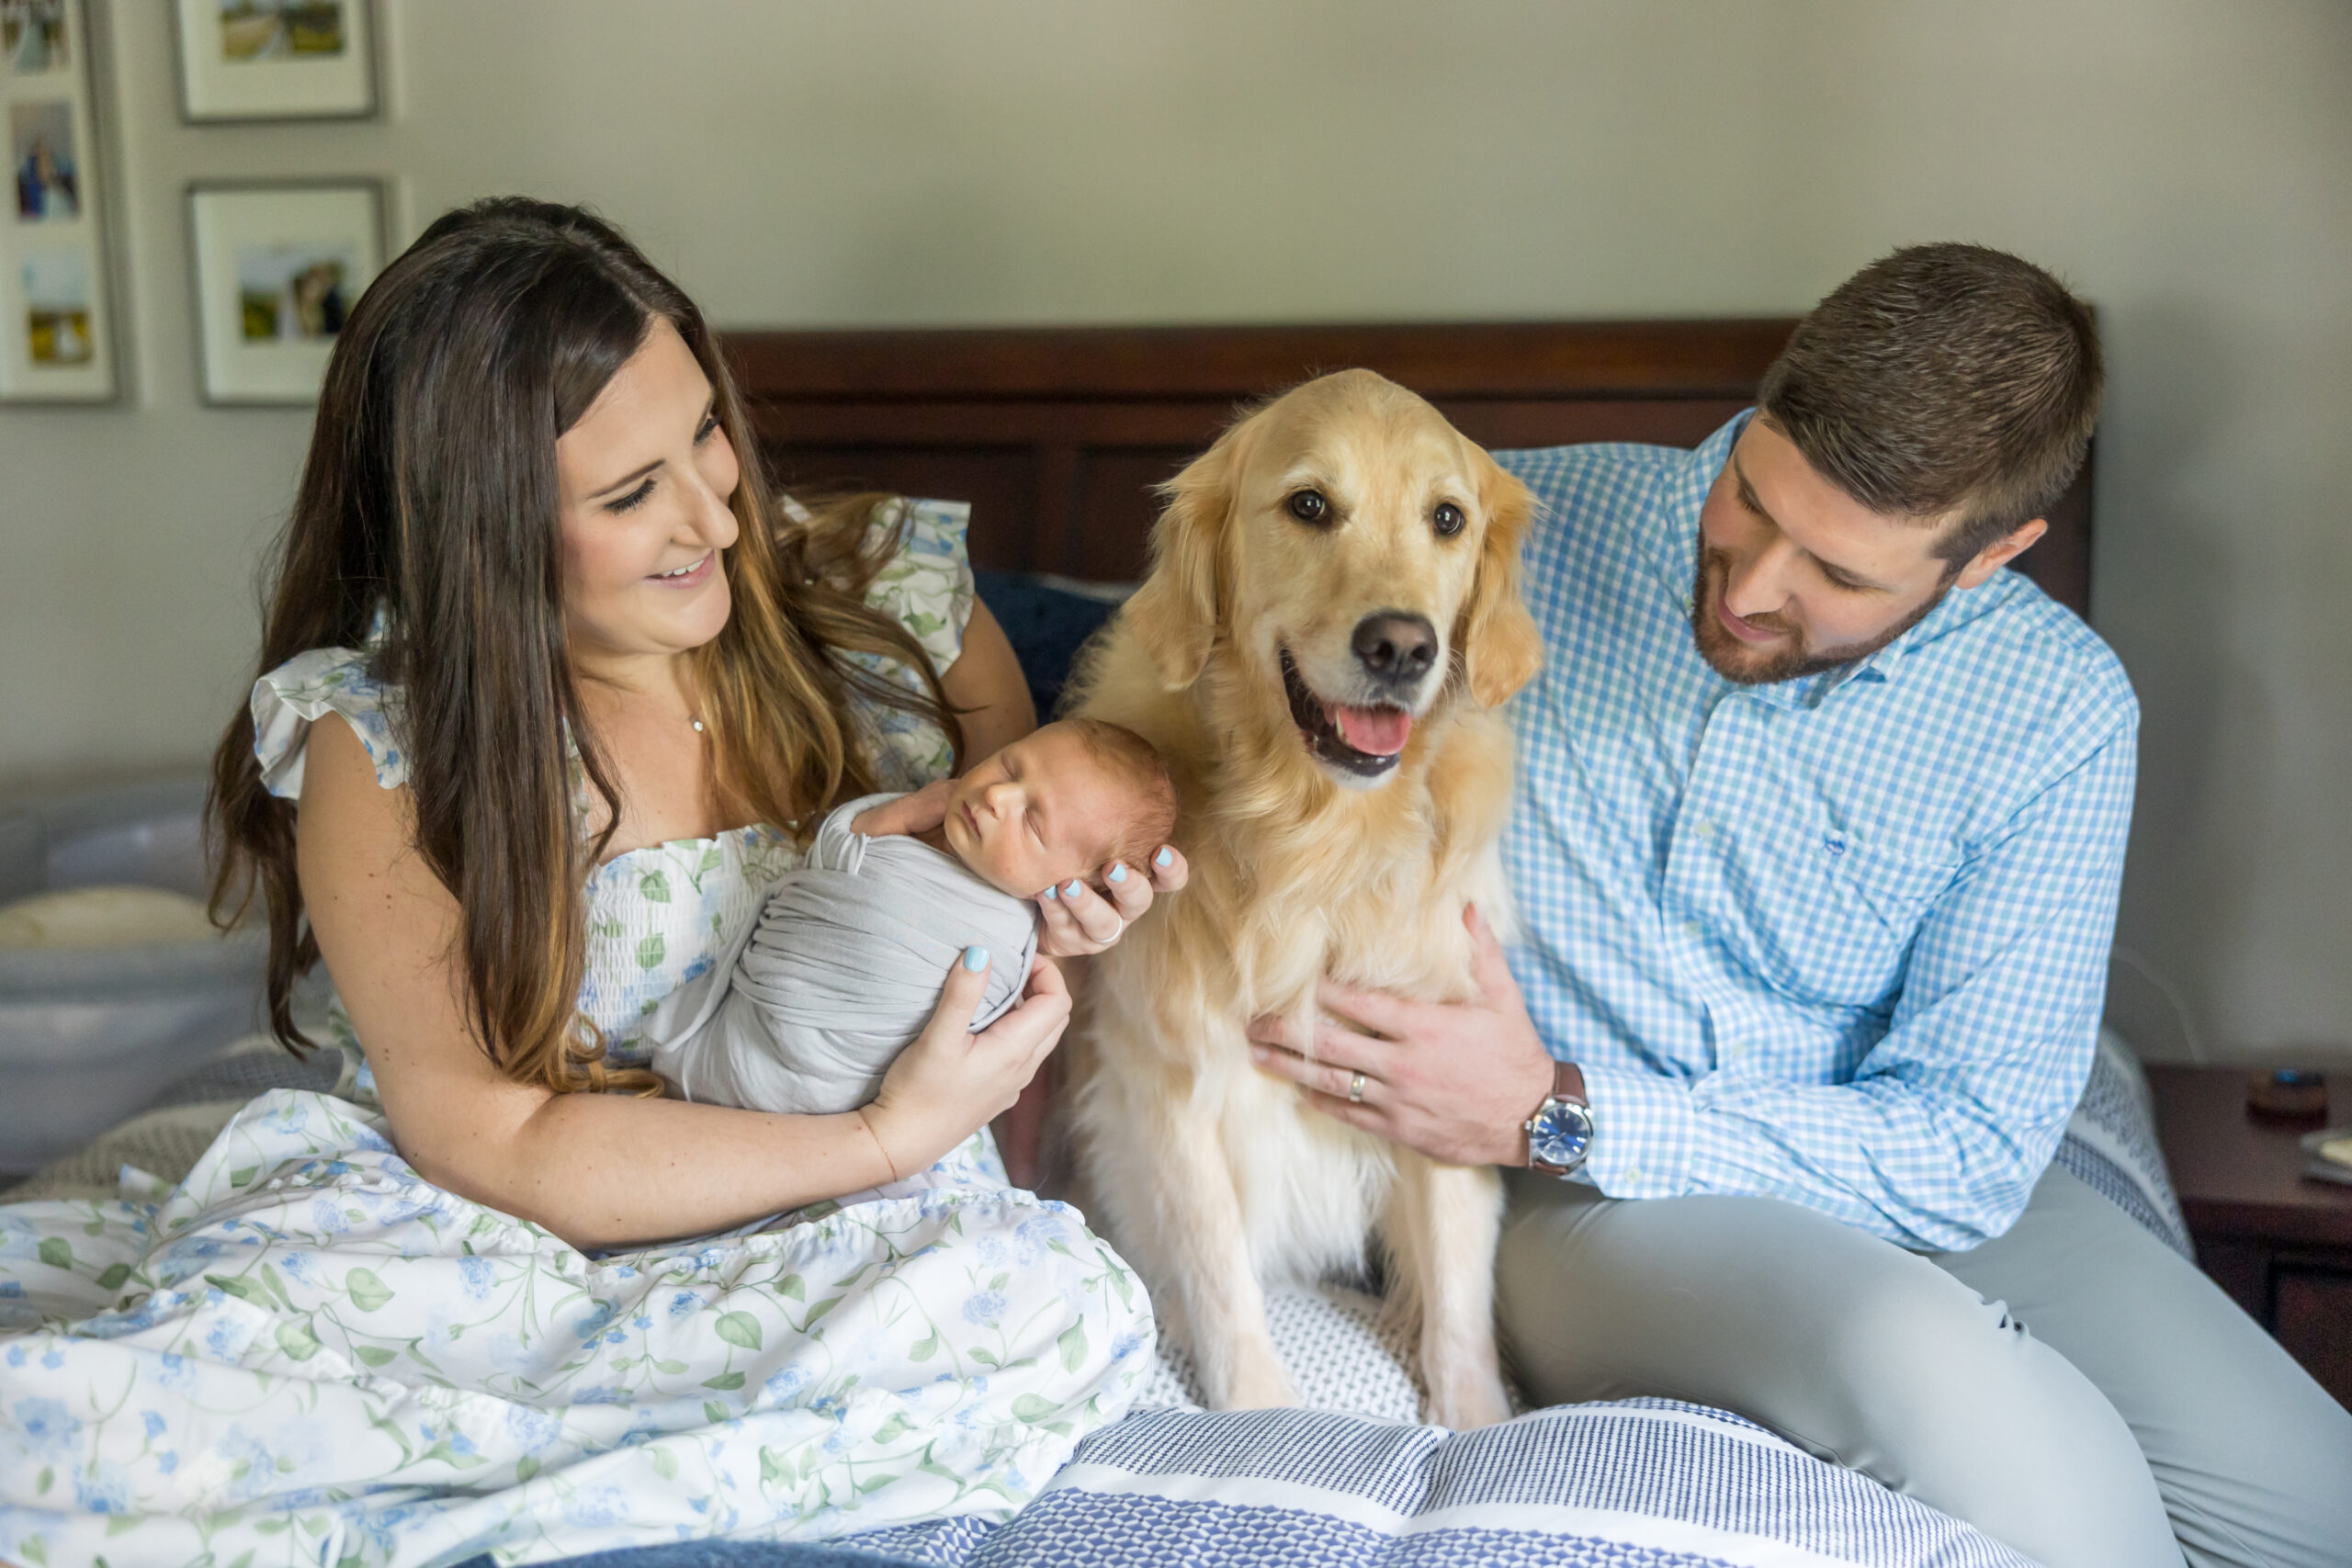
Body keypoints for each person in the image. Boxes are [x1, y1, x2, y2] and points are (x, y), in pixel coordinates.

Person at [0, 198, 1180, 1567]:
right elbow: (489, 1140)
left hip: (860, 1231)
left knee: (1049, 1299)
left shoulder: (889, 609)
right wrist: (874, 1142)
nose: (718, 513)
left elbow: (1008, 963)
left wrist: (1072, 938)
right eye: (631, 494)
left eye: (705, 432)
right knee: (154, 1423)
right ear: (483, 532)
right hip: (504, 1228)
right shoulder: (385, 743)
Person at [1245, 243, 2352, 1568]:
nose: (1756, 584)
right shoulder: (1502, 526)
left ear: (1991, 555)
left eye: (1839, 573)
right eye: (1749, 498)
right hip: (1560, 1177)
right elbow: (1211, 678)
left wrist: (1564, 1096)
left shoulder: (2056, 712)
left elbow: (1970, 1147)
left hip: (1869, 1148)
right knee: (1972, 1406)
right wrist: (1076, 774)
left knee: (2316, 1495)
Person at [644, 717, 1179, 1116]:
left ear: (1076, 889)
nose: (997, 795)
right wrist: (894, 814)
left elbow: (969, 1037)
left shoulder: (1021, 945)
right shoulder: (916, 821)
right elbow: (829, 856)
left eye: (1034, 823)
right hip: (755, 1020)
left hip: (833, 1082)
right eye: (1010, 766)